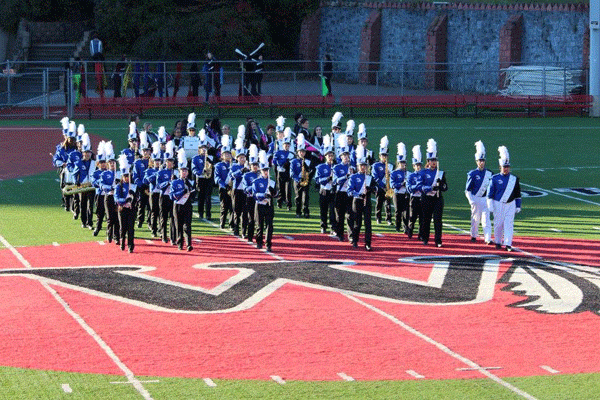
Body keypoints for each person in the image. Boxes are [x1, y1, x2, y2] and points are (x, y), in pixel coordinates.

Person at [487, 146, 522, 252]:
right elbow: (490, 193)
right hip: (498, 204)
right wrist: (490, 204)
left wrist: (518, 205)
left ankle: (508, 244)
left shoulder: (514, 179)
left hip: (510, 204)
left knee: (509, 224)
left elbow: (518, 194)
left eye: (507, 166)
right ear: (500, 167)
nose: (506, 168)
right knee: (498, 224)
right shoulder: (495, 178)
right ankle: (498, 241)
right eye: (504, 166)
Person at [347, 144, 376, 251]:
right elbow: (349, 191)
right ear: (358, 166)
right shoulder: (354, 177)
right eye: (361, 165)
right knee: (356, 222)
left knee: (368, 224)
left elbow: (375, 188)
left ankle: (368, 243)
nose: (363, 167)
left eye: (365, 165)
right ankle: (355, 241)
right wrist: (358, 194)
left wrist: (371, 189)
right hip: (357, 201)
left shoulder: (369, 177)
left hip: (367, 202)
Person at [420, 139, 448, 247]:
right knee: (426, 219)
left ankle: (438, 240)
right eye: (431, 160)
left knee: (437, 220)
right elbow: (420, 186)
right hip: (427, 198)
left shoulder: (440, 173)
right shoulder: (423, 172)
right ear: (428, 161)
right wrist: (430, 187)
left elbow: (445, 188)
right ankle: (425, 238)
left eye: (435, 160)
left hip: (437, 199)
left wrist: (441, 185)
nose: (433, 162)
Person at [465, 140, 493, 244]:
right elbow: (467, 189)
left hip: (485, 199)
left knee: (486, 220)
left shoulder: (489, 173)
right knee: (475, 219)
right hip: (475, 198)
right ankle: (473, 235)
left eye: (483, 160)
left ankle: (488, 238)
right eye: (479, 160)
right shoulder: (472, 174)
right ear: (476, 161)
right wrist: (471, 200)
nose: (481, 162)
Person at [170, 149, 196, 251]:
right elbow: (172, 196)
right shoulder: (175, 182)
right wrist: (182, 192)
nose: (184, 172)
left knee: (187, 225)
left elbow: (194, 196)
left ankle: (189, 244)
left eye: (186, 171)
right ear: (179, 172)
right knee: (179, 226)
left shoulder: (191, 182)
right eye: (182, 171)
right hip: (178, 206)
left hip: (187, 205)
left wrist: (190, 189)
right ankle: (180, 243)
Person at [252, 150, 277, 251]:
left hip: (269, 205)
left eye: (267, 170)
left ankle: (268, 243)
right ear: (260, 171)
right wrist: (263, 195)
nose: (266, 172)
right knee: (259, 225)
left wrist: (273, 193)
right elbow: (254, 195)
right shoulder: (256, 181)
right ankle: (259, 241)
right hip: (260, 205)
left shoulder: (272, 182)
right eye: (264, 170)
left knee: (269, 225)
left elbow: (276, 194)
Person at [72, 132, 96, 230]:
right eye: (85, 153)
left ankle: (90, 222)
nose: (87, 154)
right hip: (82, 186)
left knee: (90, 205)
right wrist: (76, 182)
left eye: (88, 153)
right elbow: (74, 174)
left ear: (91, 153)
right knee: (83, 204)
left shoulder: (94, 163)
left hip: (91, 186)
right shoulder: (79, 163)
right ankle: (83, 221)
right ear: (82, 153)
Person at [332, 135, 354, 242]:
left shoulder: (352, 168)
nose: (346, 157)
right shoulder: (336, 167)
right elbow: (335, 181)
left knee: (350, 215)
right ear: (341, 157)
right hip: (340, 193)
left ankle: (351, 235)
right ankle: (340, 234)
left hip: (349, 194)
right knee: (339, 216)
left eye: (347, 155)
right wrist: (346, 176)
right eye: (344, 155)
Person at [315, 136, 337, 235]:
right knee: (323, 210)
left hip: (333, 191)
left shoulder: (336, 167)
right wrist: (328, 178)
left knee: (333, 210)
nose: (330, 157)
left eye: (332, 155)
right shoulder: (320, 167)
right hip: (324, 190)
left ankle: (333, 227)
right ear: (325, 156)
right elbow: (318, 180)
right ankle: (323, 226)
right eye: (329, 155)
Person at [115, 154, 136, 252]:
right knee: (123, 228)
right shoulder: (119, 186)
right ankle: (122, 242)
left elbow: (137, 199)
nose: (127, 178)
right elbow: (116, 198)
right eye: (125, 176)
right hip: (122, 209)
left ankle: (131, 246)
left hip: (131, 209)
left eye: (128, 176)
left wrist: (134, 196)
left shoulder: (133, 185)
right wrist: (124, 201)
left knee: (131, 228)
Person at [191, 130, 214, 220]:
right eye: (202, 148)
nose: (204, 149)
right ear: (199, 149)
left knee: (208, 197)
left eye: (205, 147)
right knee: (201, 196)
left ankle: (208, 213)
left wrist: (210, 166)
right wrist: (202, 171)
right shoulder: (195, 158)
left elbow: (213, 167)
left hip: (208, 179)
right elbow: (194, 169)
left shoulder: (210, 157)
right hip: (200, 179)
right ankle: (200, 212)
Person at [157, 142, 177, 244]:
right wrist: (168, 182)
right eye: (168, 161)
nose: (170, 163)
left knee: (173, 218)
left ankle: (173, 237)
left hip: (173, 197)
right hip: (164, 196)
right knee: (163, 218)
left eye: (171, 161)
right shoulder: (161, 172)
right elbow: (158, 185)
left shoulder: (176, 172)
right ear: (165, 162)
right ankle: (164, 235)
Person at [229, 136, 249, 236]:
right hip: (236, 190)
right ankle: (236, 228)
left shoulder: (248, 166)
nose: (242, 159)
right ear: (237, 158)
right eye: (240, 157)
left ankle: (244, 231)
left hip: (245, 191)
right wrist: (241, 170)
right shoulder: (234, 166)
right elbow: (232, 176)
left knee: (245, 212)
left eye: (244, 157)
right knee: (236, 211)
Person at [371, 136, 393, 225]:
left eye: (386, 155)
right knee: (379, 203)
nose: (384, 157)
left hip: (388, 187)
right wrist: (382, 185)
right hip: (380, 187)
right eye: (383, 155)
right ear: (380, 156)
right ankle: (378, 217)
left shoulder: (390, 166)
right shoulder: (376, 165)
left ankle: (388, 219)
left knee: (388, 204)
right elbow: (375, 177)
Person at [100, 143, 119, 245]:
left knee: (116, 218)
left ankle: (116, 236)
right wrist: (111, 187)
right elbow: (102, 185)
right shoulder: (104, 174)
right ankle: (109, 233)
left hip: (117, 198)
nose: (112, 164)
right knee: (110, 218)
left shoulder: (119, 173)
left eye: (113, 162)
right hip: (109, 197)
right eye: (110, 163)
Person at [290, 134, 313, 218]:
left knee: (305, 197)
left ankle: (306, 211)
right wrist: (297, 179)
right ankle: (298, 211)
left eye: (303, 151)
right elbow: (292, 173)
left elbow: (310, 170)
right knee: (298, 197)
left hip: (305, 181)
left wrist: (308, 176)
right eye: (300, 151)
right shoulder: (293, 161)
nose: (302, 153)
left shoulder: (308, 161)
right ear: (298, 152)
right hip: (297, 181)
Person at [214, 134, 233, 229]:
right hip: (223, 188)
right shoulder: (218, 165)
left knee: (232, 207)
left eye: (229, 154)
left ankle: (231, 224)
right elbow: (216, 178)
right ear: (222, 156)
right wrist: (223, 185)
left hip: (232, 188)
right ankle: (222, 222)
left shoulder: (234, 165)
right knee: (224, 206)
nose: (227, 155)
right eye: (225, 154)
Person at [132, 131, 151, 229]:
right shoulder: (137, 162)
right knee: (141, 205)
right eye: (144, 151)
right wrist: (140, 184)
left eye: (147, 150)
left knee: (150, 206)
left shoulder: (152, 162)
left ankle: (150, 222)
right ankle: (140, 220)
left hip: (150, 187)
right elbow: (135, 176)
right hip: (141, 187)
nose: (146, 152)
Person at [242, 145, 260, 242]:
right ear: (250, 165)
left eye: (256, 165)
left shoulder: (261, 174)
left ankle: (258, 236)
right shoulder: (247, 175)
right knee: (251, 219)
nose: (255, 167)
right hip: (250, 199)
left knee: (259, 220)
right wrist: (254, 187)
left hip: (259, 200)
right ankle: (249, 236)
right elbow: (245, 189)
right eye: (253, 165)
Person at [144, 142, 162, 237]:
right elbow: (148, 180)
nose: (157, 162)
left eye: (159, 160)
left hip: (161, 193)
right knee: (154, 212)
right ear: (153, 161)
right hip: (153, 193)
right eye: (156, 161)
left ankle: (160, 229)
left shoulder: (162, 170)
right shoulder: (149, 170)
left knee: (161, 212)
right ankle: (154, 229)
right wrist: (157, 174)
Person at [390, 142, 409, 233]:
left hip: (405, 194)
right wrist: (402, 183)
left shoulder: (408, 173)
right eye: (401, 163)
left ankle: (405, 227)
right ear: (398, 163)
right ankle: (397, 226)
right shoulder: (394, 173)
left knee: (406, 211)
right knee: (398, 211)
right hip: (397, 194)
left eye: (404, 163)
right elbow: (392, 185)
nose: (403, 164)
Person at [273, 130, 294, 210]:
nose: (287, 146)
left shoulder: (291, 154)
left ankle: (289, 205)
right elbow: (274, 161)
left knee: (288, 189)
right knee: (280, 188)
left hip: (288, 173)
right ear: (283, 145)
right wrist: (282, 163)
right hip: (280, 172)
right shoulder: (278, 152)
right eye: (285, 145)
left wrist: (289, 163)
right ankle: (279, 202)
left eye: (288, 145)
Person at [406, 145, 424, 240]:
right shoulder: (410, 176)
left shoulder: (424, 175)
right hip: (414, 198)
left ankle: (420, 234)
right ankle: (410, 232)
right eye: (416, 165)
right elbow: (409, 188)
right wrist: (417, 186)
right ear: (413, 166)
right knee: (412, 216)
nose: (418, 167)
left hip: (422, 198)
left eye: (419, 165)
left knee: (422, 217)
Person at [92, 141, 108, 236]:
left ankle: (110, 231)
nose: (103, 164)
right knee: (99, 212)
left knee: (109, 213)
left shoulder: (110, 172)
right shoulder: (96, 173)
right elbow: (94, 182)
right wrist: (100, 183)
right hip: (99, 195)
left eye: (104, 163)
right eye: (101, 163)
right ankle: (98, 227)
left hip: (108, 195)